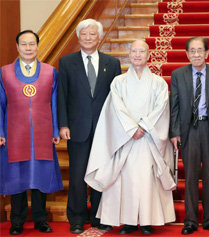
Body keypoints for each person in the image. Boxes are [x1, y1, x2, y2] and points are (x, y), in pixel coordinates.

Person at [84, 40, 176, 235]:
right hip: (125, 139)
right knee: (125, 180)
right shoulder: (119, 82)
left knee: (147, 180)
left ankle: (148, 220)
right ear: (129, 54)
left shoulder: (158, 83)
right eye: (133, 51)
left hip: (148, 139)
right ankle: (128, 222)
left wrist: (143, 127)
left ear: (148, 54)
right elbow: (115, 108)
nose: (137, 54)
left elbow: (161, 109)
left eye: (141, 51)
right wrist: (131, 129)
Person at [57, 19, 122, 234]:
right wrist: (63, 124)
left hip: (105, 129)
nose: (88, 37)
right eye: (84, 34)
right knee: (77, 175)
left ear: (99, 37)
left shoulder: (112, 63)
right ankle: (76, 217)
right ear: (78, 36)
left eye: (92, 34)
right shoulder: (66, 62)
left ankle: (99, 215)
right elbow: (62, 96)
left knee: (101, 174)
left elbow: (117, 99)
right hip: (77, 128)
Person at [169, 36, 209, 235]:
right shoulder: (178, 74)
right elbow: (174, 107)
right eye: (192, 51)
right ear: (187, 54)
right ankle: (190, 220)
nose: (196, 54)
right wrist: (175, 132)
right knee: (190, 177)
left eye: (200, 51)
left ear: (207, 53)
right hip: (189, 130)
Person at [0, 30, 63, 235]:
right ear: (17, 47)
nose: (28, 48)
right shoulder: (4, 72)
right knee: (16, 177)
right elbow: (0, 105)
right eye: (24, 44)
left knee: (40, 177)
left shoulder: (50, 71)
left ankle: (40, 220)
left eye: (32, 44)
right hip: (14, 134)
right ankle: (16, 221)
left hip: (42, 134)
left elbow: (55, 103)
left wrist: (55, 129)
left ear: (38, 46)